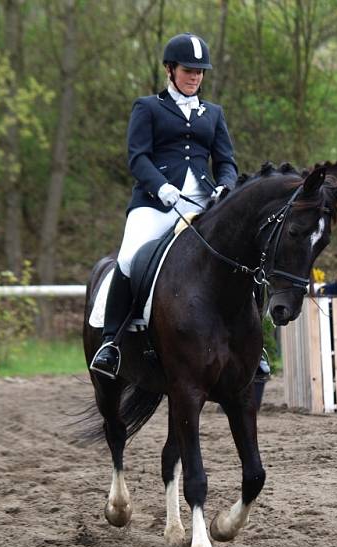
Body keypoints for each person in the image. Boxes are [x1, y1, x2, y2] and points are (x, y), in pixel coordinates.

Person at [91, 32, 238, 377]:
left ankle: (251, 343)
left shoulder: (213, 113)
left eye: (200, 72)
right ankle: (111, 343)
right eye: (189, 70)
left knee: (239, 253)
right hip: (155, 203)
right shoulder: (148, 107)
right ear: (170, 70)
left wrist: (225, 187)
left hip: (203, 202)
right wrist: (161, 187)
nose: (195, 77)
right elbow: (137, 158)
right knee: (128, 257)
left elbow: (227, 161)